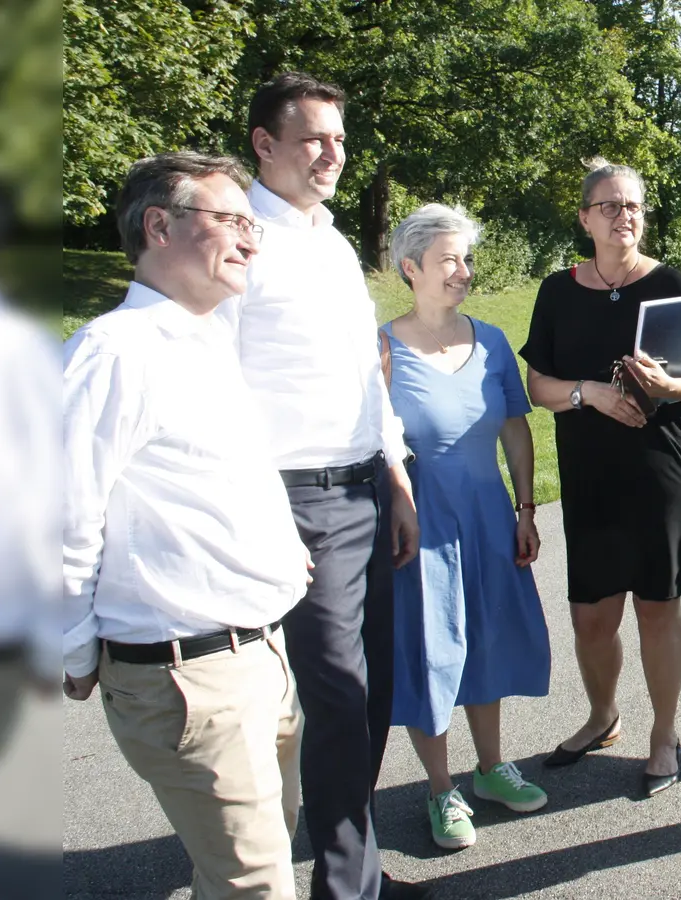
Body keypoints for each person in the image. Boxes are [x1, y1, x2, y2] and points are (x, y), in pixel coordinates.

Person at [62, 151, 309, 898]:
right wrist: (75, 649)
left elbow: (214, 480)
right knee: (256, 884)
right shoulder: (113, 353)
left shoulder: (205, 338)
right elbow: (58, 516)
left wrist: (280, 551)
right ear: (159, 227)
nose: (250, 241)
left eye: (252, 225)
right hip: (188, 673)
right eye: (231, 220)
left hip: (259, 653)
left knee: (257, 858)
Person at [222, 72, 428, 900]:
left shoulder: (335, 244)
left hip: (364, 487)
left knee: (370, 693)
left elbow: (367, 377)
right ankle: (345, 889)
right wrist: (257, 507)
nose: (332, 154)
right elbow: (211, 385)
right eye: (314, 138)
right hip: (291, 498)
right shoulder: (237, 241)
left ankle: (356, 870)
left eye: (339, 139)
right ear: (264, 143)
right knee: (338, 697)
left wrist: (397, 476)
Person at [521, 159, 681, 796]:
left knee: (657, 608)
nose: (624, 216)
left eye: (633, 205)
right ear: (585, 218)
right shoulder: (558, 292)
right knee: (591, 615)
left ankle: (664, 734)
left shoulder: (669, 285)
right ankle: (602, 716)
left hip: (663, 471)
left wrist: (670, 386)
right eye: (609, 206)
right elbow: (538, 385)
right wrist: (589, 393)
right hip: (592, 476)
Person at [382, 205, 553, 850]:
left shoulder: (492, 342)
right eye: (449, 260)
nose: (464, 271)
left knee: (487, 637)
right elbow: (371, 441)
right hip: (419, 519)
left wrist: (525, 510)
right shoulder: (380, 348)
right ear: (411, 268)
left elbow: (514, 427)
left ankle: (490, 768)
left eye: (467, 259)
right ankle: (439, 788)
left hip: (487, 513)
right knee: (430, 650)